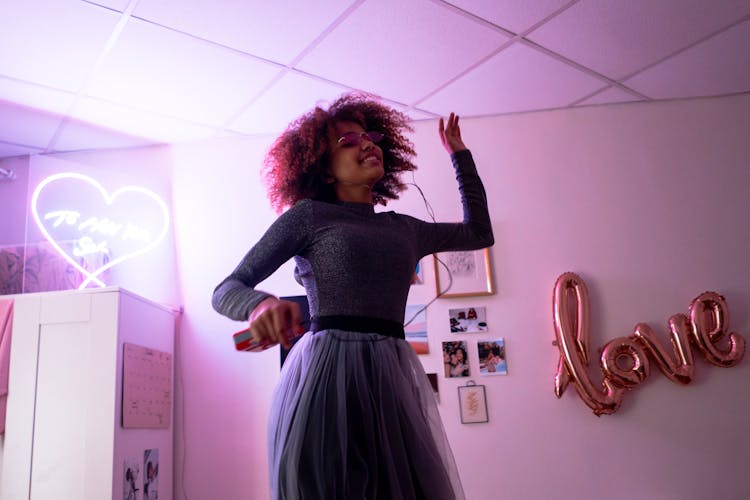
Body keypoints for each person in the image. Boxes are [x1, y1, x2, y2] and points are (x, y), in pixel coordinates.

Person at [212, 92, 494, 500]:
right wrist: (260, 304)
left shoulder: (405, 229)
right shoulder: (309, 216)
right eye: (348, 140)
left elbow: (480, 233)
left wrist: (460, 156)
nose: (367, 143)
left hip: (390, 373)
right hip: (327, 373)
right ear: (324, 170)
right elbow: (227, 288)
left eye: (371, 136)